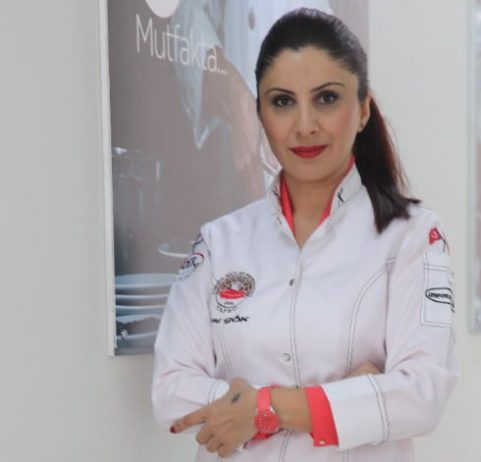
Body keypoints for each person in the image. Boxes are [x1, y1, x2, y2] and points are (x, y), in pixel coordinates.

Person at [152, 8, 459, 461]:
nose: (304, 125)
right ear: (260, 113)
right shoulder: (219, 243)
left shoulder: (413, 236)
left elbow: (421, 395)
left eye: (327, 98)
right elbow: (171, 392)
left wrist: (262, 410)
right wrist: (347, 403)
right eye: (282, 102)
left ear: (363, 109)